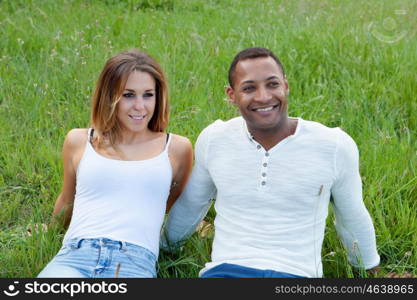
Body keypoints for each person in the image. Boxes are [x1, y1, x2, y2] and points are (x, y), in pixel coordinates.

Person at [162, 47, 380, 278]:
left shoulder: (334, 145)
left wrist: (370, 270)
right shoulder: (215, 138)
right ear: (231, 95)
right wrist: (163, 248)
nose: (264, 96)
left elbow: (352, 215)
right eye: (249, 88)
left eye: (272, 84)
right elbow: (192, 203)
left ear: (286, 86)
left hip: (295, 275)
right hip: (226, 272)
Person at [38, 49, 193, 278]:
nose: (140, 106)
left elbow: (169, 204)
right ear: (109, 96)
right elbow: (67, 200)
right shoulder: (79, 141)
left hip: (134, 261)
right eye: (128, 95)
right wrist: (49, 230)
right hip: (75, 256)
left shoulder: (177, 149)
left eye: (148, 95)